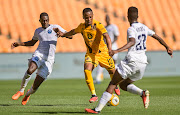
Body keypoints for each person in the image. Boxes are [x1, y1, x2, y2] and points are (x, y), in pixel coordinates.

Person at [85, 6, 173, 113]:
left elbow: (132, 41)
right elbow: (157, 36)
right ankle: (142, 93)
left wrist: (116, 50)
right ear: (138, 16)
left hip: (132, 62)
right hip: (143, 64)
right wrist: (167, 47)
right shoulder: (144, 27)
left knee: (113, 83)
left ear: (127, 17)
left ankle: (97, 109)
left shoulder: (131, 29)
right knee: (123, 85)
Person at [54, 8, 120, 103]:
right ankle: (94, 94)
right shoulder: (81, 27)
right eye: (86, 18)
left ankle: (116, 85)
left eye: (90, 17)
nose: (88, 19)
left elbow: (107, 37)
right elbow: (72, 32)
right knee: (87, 69)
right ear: (83, 17)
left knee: (112, 71)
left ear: (92, 16)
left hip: (103, 53)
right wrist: (63, 34)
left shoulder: (98, 25)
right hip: (91, 54)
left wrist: (110, 49)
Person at [11, 12, 71, 105]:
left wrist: (61, 33)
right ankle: (21, 90)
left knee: (35, 86)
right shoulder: (38, 31)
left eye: (46, 20)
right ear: (40, 21)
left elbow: (70, 36)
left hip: (49, 60)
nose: (45, 22)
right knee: (30, 70)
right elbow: (32, 42)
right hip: (39, 54)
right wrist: (19, 44)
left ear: (49, 20)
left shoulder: (55, 27)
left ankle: (27, 94)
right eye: (43, 21)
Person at [95, 14, 120, 84]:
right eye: (106, 18)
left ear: (110, 19)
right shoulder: (104, 28)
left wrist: (110, 43)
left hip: (113, 47)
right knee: (102, 62)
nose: (107, 19)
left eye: (108, 18)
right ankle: (98, 78)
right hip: (105, 48)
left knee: (114, 62)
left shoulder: (114, 27)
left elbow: (116, 36)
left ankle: (116, 78)